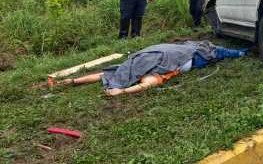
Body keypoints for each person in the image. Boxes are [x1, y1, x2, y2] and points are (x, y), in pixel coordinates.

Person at [51, 41, 247, 96]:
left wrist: (122, 90)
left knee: (213, 49)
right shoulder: (128, 68)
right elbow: (148, 84)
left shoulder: (129, 68)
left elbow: (102, 74)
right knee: (214, 51)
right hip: (190, 56)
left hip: (179, 50)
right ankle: (240, 53)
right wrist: (71, 81)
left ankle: (240, 53)